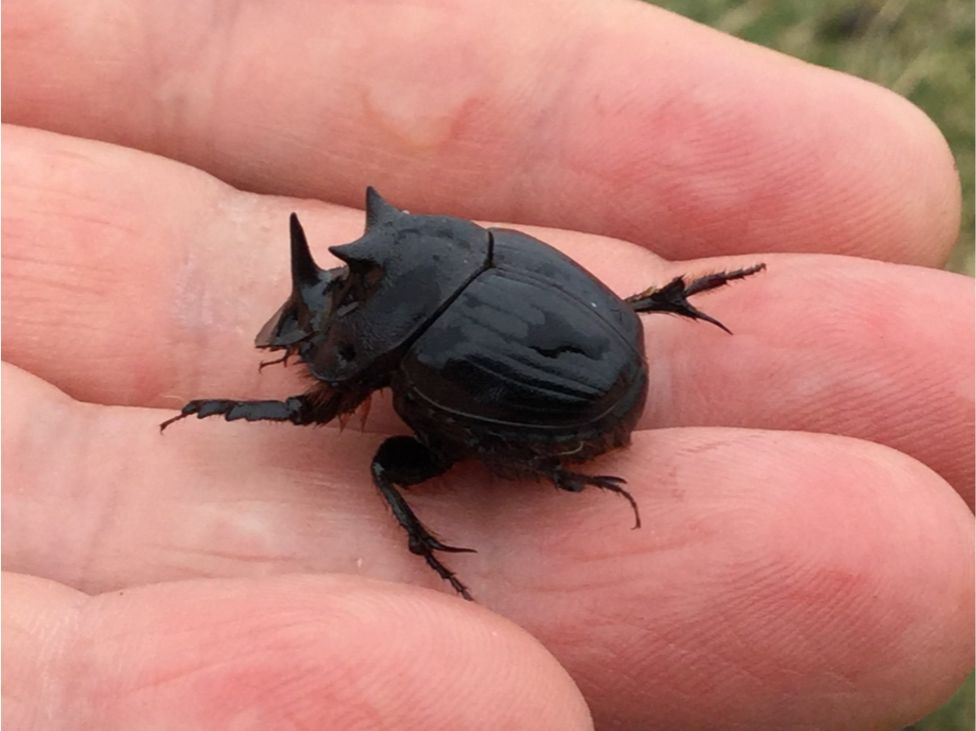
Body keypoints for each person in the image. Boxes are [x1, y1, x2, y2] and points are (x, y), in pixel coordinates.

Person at [2, 2, 972, 728]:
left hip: (577, 404)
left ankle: (460, 529)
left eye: (331, 309)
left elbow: (308, 417)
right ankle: (662, 305)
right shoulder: (466, 247)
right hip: (602, 343)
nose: (318, 310)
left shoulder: (409, 350)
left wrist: (215, 405)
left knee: (386, 465)